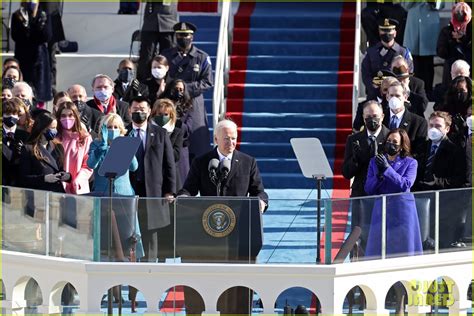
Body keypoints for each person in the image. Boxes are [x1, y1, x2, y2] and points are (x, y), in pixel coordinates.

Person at [87, 114, 144, 312]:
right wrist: (102, 148)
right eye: (108, 126)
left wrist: (122, 149)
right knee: (106, 244)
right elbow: (90, 165)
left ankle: (130, 292)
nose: (111, 130)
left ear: (121, 129)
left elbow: (135, 167)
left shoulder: (124, 145)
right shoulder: (96, 144)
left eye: (115, 127)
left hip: (125, 199)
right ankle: (108, 289)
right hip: (103, 198)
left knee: (128, 243)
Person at [126, 96, 176, 262]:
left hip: (153, 190)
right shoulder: (124, 132)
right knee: (131, 233)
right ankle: (132, 284)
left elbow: (169, 163)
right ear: (129, 111)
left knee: (151, 235)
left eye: (142, 110)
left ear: (149, 112)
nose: (138, 113)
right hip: (130, 190)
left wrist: (170, 190)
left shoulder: (160, 133)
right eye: (135, 110)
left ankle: (151, 273)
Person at [364, 128, 423, 258]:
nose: (391, 144)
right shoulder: (375, 161)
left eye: (395, 142)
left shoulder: (411, 163)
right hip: (382, 209)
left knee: (404, 248)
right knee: (378, 247)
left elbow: (406, 184)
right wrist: (378, 177)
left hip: (402, 211)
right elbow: (368, 188)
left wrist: (387, 169)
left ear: (402, 146)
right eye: (389, 140)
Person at [414, 111, 467, 248]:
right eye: (431, 125)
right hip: (421, 200)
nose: (433, 129)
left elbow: (459, 179)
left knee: (440, 244)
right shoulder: (421, 147)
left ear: (447, 129)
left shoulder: (455, 150)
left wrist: (437, 181)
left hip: (443, 205)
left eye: (438, 126)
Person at [162, 22, 213, 162]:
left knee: (197, 143)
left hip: (194, 103)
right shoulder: (166, 56)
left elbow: (208, 82)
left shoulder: (202, 57)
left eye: (186, 35)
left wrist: (185, 89)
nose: (183, 38)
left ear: (192, 37)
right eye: (179, 35)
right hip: (171, 102)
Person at [343, 100, 390, 253]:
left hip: (384, 196)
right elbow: (346, 173)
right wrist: (356, 160)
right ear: (363, 118)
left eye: (375, 115)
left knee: (383, 235)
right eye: (368, 116)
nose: (372, 119)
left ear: (382, 116)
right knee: (359, 236)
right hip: (361, 195)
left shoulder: (391, 137)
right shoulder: (354, 139)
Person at [11, 0, 53, 103]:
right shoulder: (17, 15)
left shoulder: (44, 15)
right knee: (23, 89)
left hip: (40, 59)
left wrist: (34, 21)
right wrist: (29, 32)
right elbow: (16, 36)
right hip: (23, 57)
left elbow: (47, 36)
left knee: (39, 92)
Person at [361, 18, 413, 100]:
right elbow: (365, 74)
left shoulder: (403, 52)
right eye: (384, 31)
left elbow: (408, 73)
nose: (387, 33)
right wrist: (376, 90)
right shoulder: (371, 52)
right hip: (375, 94)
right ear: (379, 32)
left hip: (396, 94)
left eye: (389, 31)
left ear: (395, 33)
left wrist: (396, 89)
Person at [19, 112, 69, 193]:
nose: (55, 131)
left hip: (57, 194)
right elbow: (24, 178)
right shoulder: (28, 148)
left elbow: (60, 169)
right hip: (39, 195)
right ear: (42, 129)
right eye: (52, 128)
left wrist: (66, 176)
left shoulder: (58, 147)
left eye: (56, 128)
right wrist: (44, 178)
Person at [402, 1, 443, 95]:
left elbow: (441, 4)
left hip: (429, 25)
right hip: (414, 25)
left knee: (428, 63)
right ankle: (415, 91)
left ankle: (428, 91)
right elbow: (405, 5)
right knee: (414, 63)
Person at [382, 81, 427, 159]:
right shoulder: (380, 118)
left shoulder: (419, 122)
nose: (394, 98)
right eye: (391, 95)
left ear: (405, 97)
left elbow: (419, 151)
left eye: (397, 95)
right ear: (387, 97)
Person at [56, 101, 93, 194]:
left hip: (79, 187)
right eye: (63, 116)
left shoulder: (85, 137)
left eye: (70, 115)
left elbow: (88, 165)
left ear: (76, 116)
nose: (67, 119)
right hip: (59, 187)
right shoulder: (55, 137)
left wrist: (79, 180)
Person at [136, 1, 178, 81]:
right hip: (150, 21)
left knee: (169, 56)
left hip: (168, 22)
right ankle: (143, 85)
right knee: (146, 57)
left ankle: (169, 84)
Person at [163, 79, 194, 182]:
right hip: (163, 145)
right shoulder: (162, 105)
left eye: (181, 89)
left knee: (181, 180)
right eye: (176, 89)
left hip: (180, 148)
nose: (178, 92)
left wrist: (175, 120)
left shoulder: (188, 107)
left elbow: (188, 129)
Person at [150, 98, 184, 190]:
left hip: (170, 177)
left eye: (166, 114)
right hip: (152, 176)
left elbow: (176, 155)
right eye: (159, 114)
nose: (162, 117)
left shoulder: (177, 131)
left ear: (171, 115)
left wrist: (163, 137)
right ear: (154, 114)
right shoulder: (148, 130)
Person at [437, 2, 472, 86]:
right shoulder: (446, 31)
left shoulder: (471, 31)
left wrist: (463, 39)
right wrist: (452, 40)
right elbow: (441, 52)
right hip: (450, 74)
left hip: (469, 72)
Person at [2, 98, 30, 186]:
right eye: (7, 113)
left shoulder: (26, 136)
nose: (11, 116)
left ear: (18, 116)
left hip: (18, 184)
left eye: (14, 114)